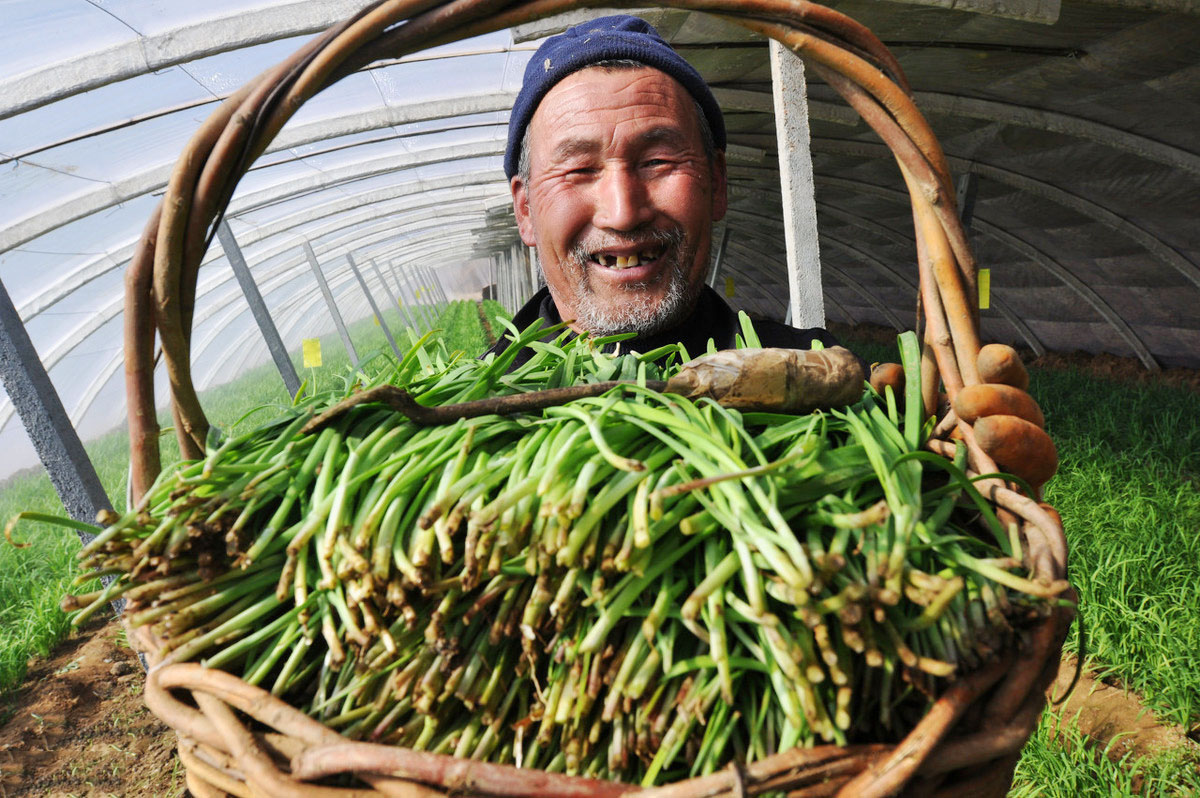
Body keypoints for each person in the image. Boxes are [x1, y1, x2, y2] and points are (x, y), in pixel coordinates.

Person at [482, 14, 849, 369]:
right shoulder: (460, 417)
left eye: (657, 161)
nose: (623, 212)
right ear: (526, 209)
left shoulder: (833, 381)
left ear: (717, 183)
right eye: (579, 169)